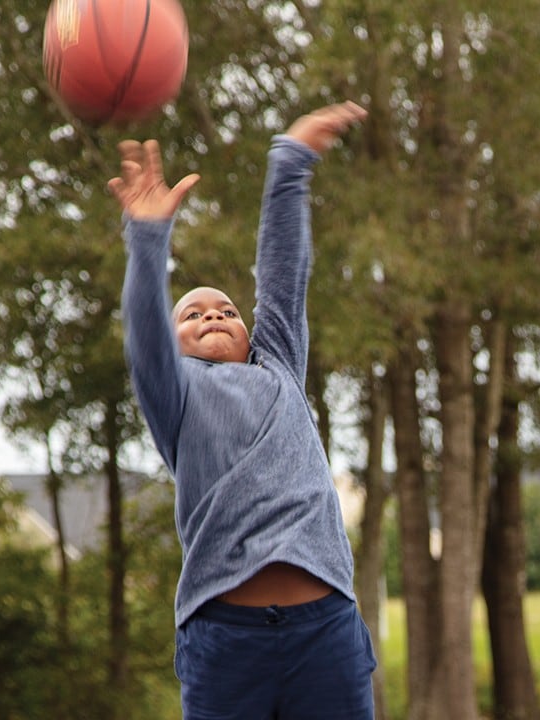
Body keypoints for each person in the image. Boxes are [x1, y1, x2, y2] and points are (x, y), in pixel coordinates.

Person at [109, 101, 376, 720]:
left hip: (325, 632)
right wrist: (148, 237)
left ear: (253, 332)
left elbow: (283, 271)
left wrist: (290, 161)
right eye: (193, 313)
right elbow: (144, 326)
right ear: (172, 343)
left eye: (227, 310)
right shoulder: (174, 393)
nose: (213, 316)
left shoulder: (278, 364)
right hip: (226, 641)